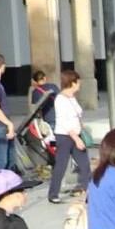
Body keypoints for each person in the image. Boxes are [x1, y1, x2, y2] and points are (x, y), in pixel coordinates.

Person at [46, 73, 87, 201]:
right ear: (73, 83)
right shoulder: (60, 99)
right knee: (61, 165)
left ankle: (88, 190)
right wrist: (76, 138)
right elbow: (65, 122)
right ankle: (53, 194)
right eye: (78, 82)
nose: (79, 85)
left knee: (85, 164)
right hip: (65, 136)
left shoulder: (72, 98)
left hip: (76, 133)